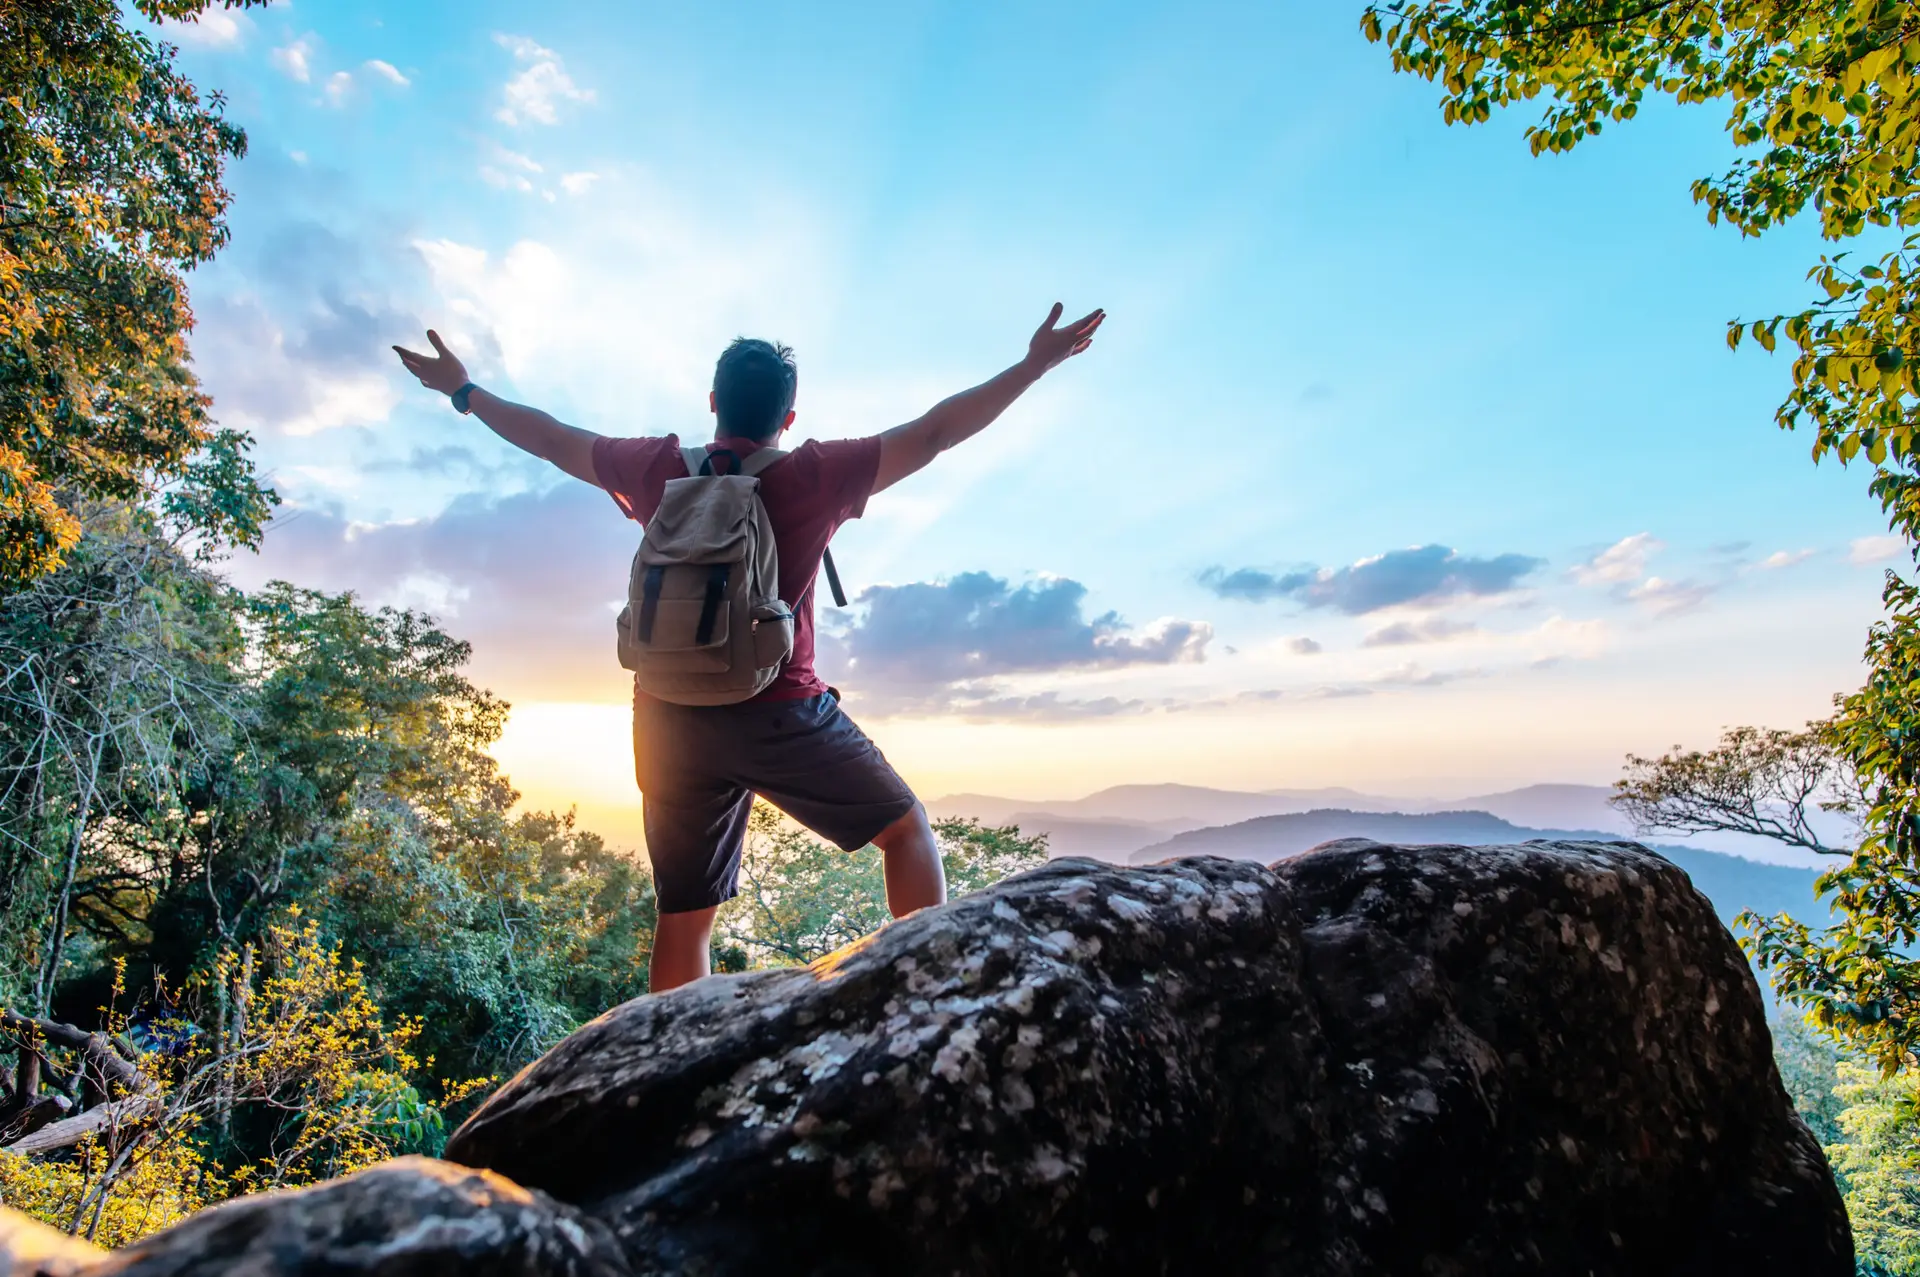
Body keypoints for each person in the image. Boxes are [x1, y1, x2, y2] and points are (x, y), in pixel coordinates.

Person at [393, 302, 1104, 992]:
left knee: (684, 919)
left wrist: (463, 390)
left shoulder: (659, 466)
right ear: (788, 418)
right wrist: (1033, 366)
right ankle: (931, 998)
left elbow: (550, 437)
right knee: (908, 831)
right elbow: (937, 431)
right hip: (782, 712)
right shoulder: (814, 474)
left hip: (668, 718)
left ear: (713, 402)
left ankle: (666, 1067)